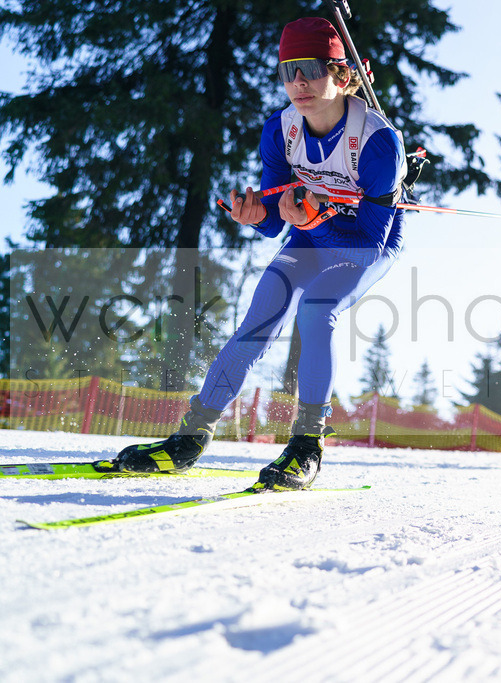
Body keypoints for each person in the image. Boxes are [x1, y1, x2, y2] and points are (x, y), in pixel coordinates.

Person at [107, 17, 407, 490]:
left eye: (311, 69)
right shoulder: (280, 130)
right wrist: (255, 216)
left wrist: (312, 222)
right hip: (311, 234)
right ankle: (190, 437)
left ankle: (307, 445)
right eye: (288, 71)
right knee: (259, 317)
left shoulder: (377, 142)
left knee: (317, 309)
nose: (298, 82)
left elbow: (368, 245)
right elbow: (273, 222)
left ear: (341, 75)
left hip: (366, 243)